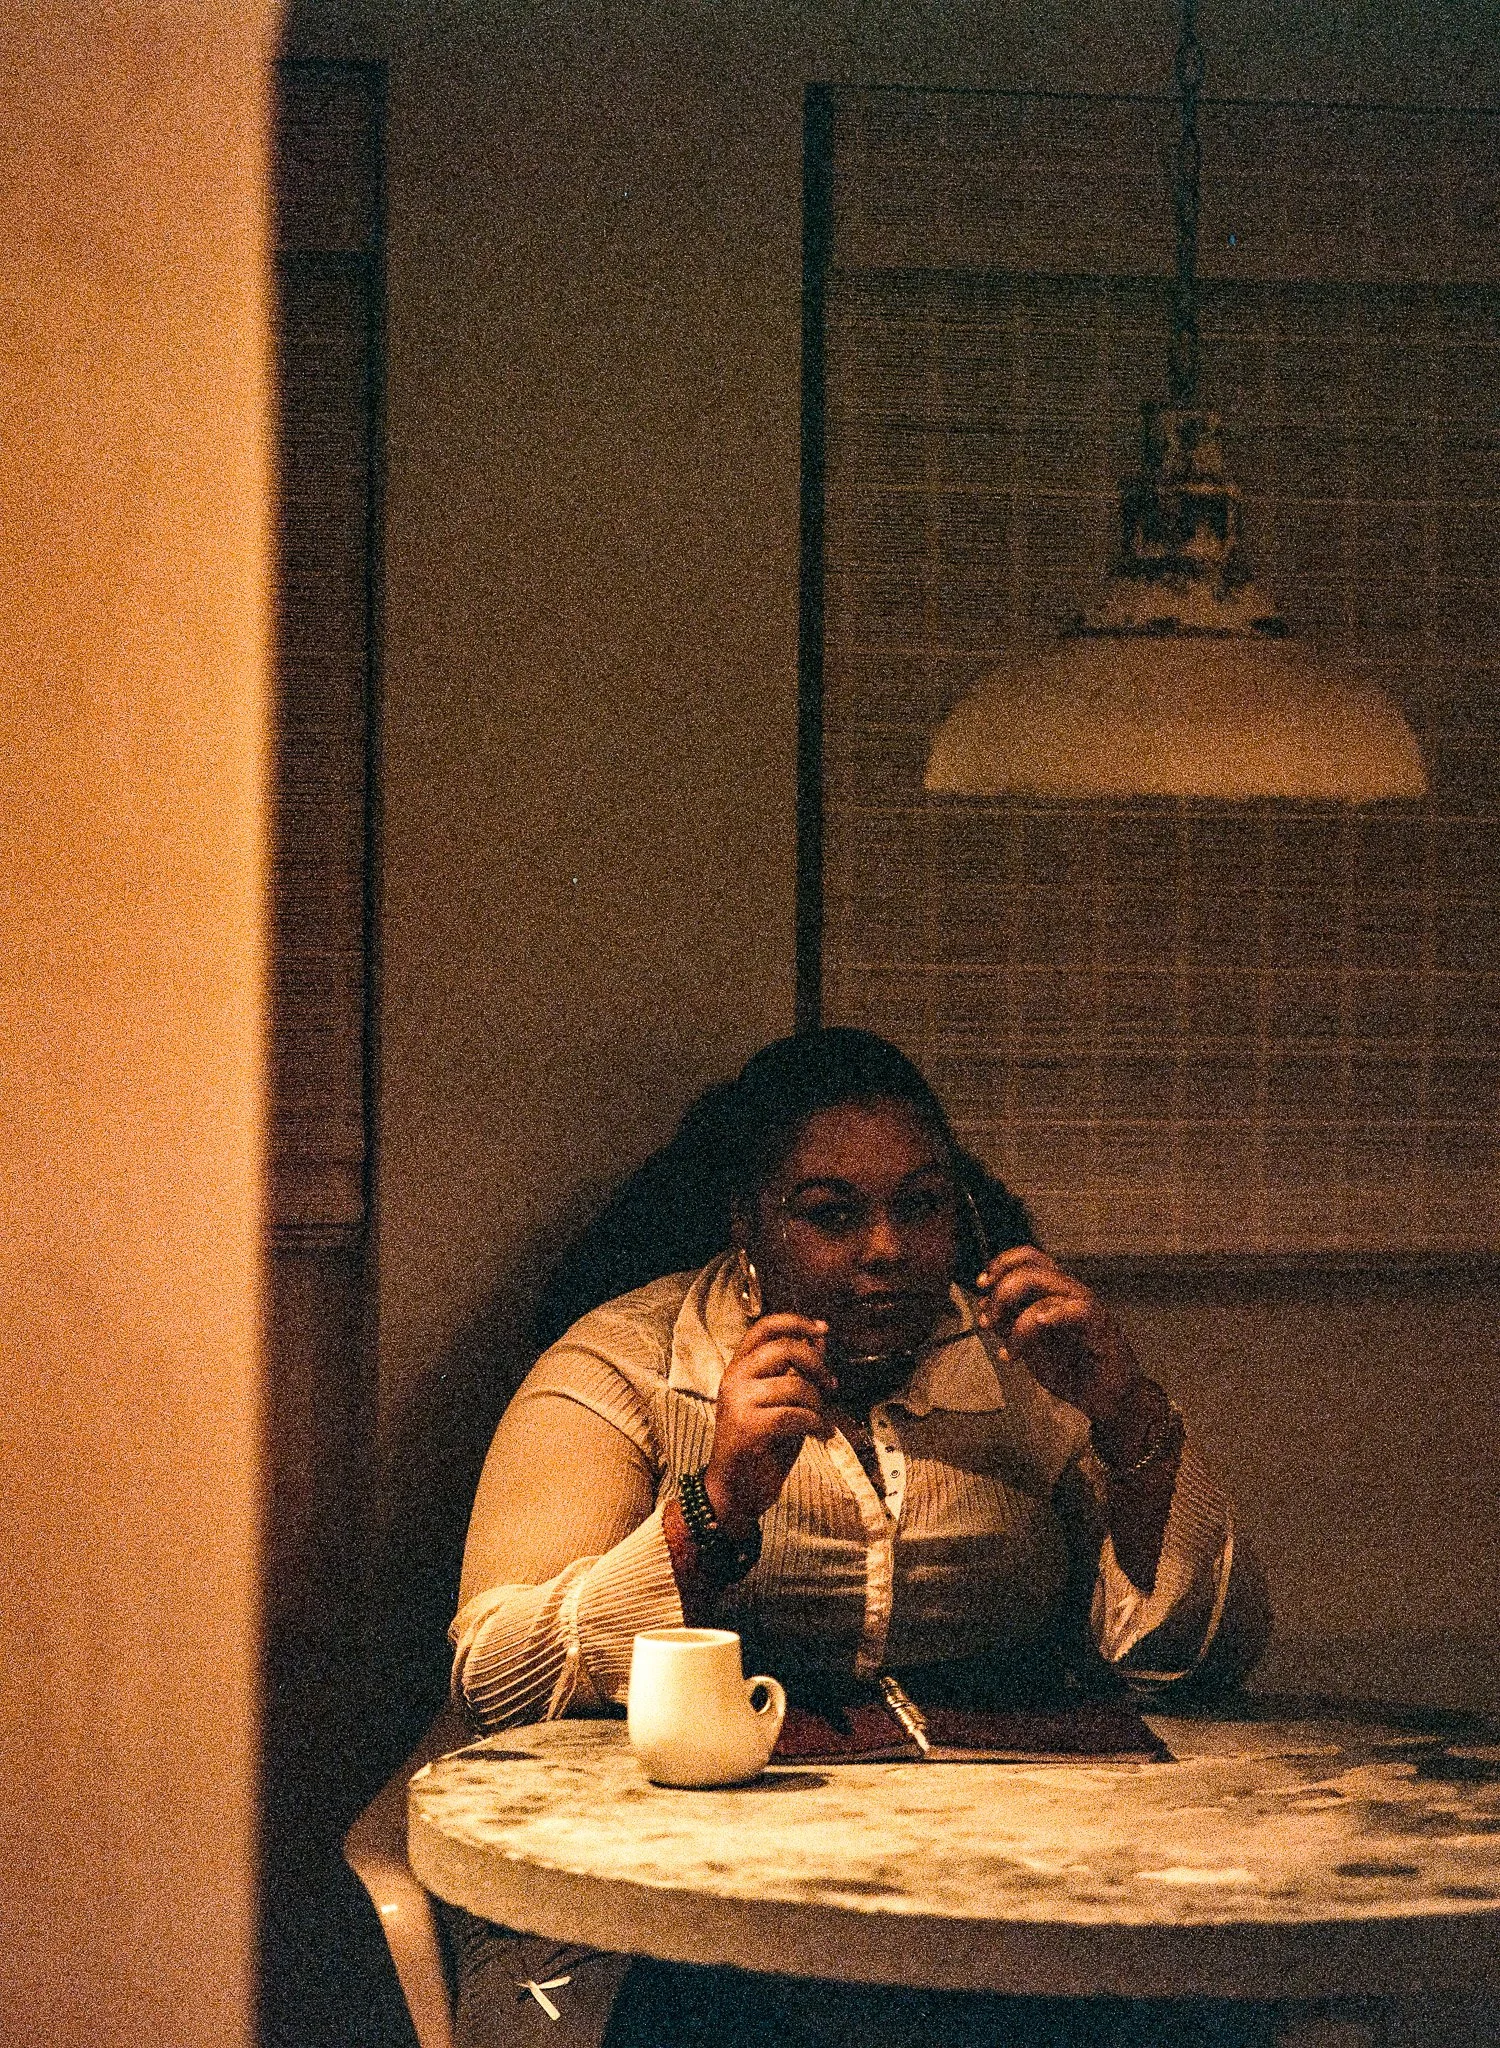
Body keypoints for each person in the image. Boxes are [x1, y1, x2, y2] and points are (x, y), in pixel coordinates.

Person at [445, 1029, 1271, 2048]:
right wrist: (718, 1502)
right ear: (747, 1220)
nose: (886, 1248)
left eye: (920, 1206)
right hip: (678, 1888)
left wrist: (1125, 1411)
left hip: (1000, 1881)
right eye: (832, 1214)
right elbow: (494, 1680)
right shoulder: (628, 1364)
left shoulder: (1021, 1363)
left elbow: (1201, 1662)